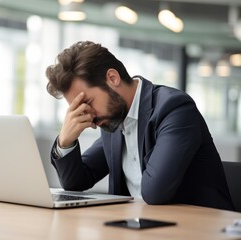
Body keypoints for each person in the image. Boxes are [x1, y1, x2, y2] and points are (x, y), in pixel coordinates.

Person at [45, 41, 235, 211]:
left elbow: (155, 192)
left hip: (199, 229)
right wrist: (65, 140)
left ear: (112, 78)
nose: (88, 114)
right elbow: (76, 182)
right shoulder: (113, 119)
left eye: (88, 102)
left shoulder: (175, 109)